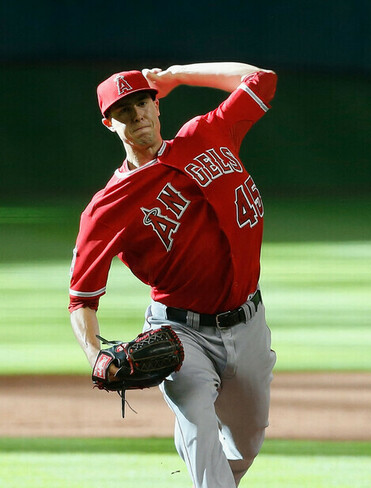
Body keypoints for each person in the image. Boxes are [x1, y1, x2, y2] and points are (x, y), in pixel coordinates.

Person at [69, 62, 278, 487]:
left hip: (249, 323)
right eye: (124, 110)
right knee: (199, 431)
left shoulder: (207, 133)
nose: (137, 115)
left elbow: (262, 80)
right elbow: (81, 299)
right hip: (181, 334)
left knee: (246, 442)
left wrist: (177, 75)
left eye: (143, 102)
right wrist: (95, 355)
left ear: (157, 105)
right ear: (109, 123)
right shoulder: (106, 208)